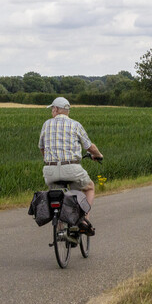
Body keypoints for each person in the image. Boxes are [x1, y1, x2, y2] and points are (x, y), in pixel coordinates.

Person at [38, 97, 103, 231]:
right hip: (72, 169)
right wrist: (98, 155)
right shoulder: (75, 125)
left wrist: (49, 161)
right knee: (89, 187)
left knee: (56, 194)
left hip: (50, 171)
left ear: (55, 109)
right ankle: (83, 220)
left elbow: (42, 147)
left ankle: (61, 227)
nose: (52, 111)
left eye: (52, 109)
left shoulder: (46, 124)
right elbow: (89, 146)